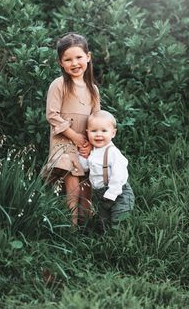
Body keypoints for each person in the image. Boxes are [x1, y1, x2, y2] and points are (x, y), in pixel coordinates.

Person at [42, 33, 100, 226]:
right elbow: (52, 115)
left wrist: (89, 143)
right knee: (72, 179)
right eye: (68, 59)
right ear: (60, 62)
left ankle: (85, 222)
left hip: (84, 142)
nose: (74, 63)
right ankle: (70, 225)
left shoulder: (92, 89)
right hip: (64, 140)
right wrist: (74, 136)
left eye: (78, 57)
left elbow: (96, 120)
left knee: (85, 183)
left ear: (88, 57)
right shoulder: (59, 85)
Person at [79, 110, 134, 230]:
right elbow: (85, 168)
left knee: (119, 220)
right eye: (94, 131)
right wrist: (83, 156)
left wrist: (111, 194)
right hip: (101, 195)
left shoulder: (113, 152)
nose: (98, 135)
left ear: (113, 133)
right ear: (87, 132)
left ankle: (122, 241)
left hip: (119, 193)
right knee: (103, 223)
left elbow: (119, 175)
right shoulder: (93, 151)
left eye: (104, 131)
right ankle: (104, 241)